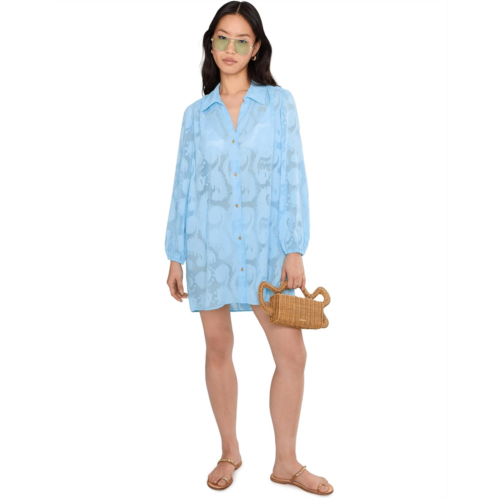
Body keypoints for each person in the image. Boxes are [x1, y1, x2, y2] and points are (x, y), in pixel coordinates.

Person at [165, 1, 333, 495]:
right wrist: (175, 254)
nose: (231, 49)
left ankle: (286, 462)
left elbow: (293, 175)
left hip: (265, 249)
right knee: (218, 347)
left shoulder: (279, 105)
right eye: (223, 38)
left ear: (256, 48)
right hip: (209, 247)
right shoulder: (195, 116)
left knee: (292, 354)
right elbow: (183, 186)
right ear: (210, 43)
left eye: (242, 40)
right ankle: (229, 451)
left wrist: (294, 248)